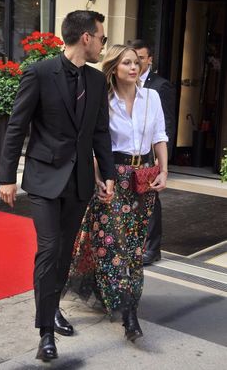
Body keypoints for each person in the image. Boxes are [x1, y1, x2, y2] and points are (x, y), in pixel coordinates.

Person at [0, 10, 115, 362]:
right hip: (45, 178)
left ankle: (52, 308)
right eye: (101, 38)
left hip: (79, 182)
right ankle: (45, 332)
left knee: (64, 254)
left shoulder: (96, 81)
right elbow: (16, 126)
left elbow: (100, 132)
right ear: (85, 38)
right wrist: (5, 177)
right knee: (49, 250)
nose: (102, 44)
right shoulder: (39, 72)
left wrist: (107, 175)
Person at [67, 45, 168, 342]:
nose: (134, 68)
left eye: (136, 62)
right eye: (127, 63)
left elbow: (160, 136)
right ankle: (128, 314)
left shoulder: (152, 97)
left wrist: (164, 170)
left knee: (135, 247)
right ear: (114, 68)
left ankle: (119, 295)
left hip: (144, 179)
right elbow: (98, 144)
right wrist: (100, 178)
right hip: (113, 176)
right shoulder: (104, 100)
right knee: (113, 243)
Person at [130, 39, 176, 266]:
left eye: (140, 57)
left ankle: (153, 248)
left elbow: (166, 125)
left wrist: (161, 162)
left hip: (149, 156)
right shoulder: (123, 83)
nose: (135, 62)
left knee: (150, 203)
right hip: (127, 157)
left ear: (149, 59)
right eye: (132, 57)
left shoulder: (160, 86)